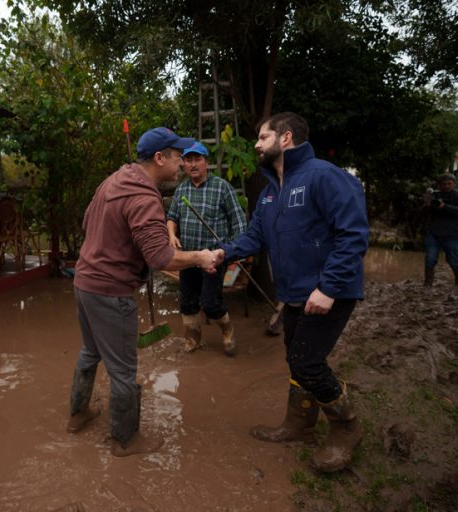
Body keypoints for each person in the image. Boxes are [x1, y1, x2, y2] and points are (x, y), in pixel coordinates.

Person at [216, 112, 369, 473]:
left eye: (263, 136)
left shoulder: (324, 176)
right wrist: (222, 253)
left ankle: (347, 428)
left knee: (307, 363)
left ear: (285, 139)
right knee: (295, 359)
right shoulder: (270, 191)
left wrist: (329, 288)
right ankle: (299, 426)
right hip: (296, 295)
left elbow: (354, 235)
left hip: (329, 293)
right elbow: (255, 237)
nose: (256, 144)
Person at [67, 127, 223, 457]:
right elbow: (160, 257)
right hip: (111, 290)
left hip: (84, 282)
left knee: (90, 351)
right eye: (178, 157)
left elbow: (86, 223)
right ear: (159, 158)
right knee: (123, 370)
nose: (182, 164)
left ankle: (78, 415)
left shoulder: (113, 181)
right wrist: (201, 256)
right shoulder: (144, 195)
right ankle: (125, 441)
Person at [166, 141, 247, 355]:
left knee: (210, 303)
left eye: (197, 159)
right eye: (188, 160)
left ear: (206, 162)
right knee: (187, 301)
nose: (193, 164)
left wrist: (232, 251)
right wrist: (172, 235)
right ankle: (193, 339)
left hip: (214, 258)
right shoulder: (181, 189)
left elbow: (238, 222)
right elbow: (172, 217)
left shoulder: (222, 187)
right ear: (183, 163)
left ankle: (228, 330)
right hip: (188, 258)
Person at [423, 174, 458, 286]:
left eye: (449, 184)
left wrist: (444, 206)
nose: (446, 186)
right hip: (434, 234)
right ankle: (427, 284)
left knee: (453, 261)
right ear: (439, 185)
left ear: (454, 184)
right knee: (430, 259)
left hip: (452, 235)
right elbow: (424, 212)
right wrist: (427, 205)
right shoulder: (435, 195)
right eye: (443, 184)